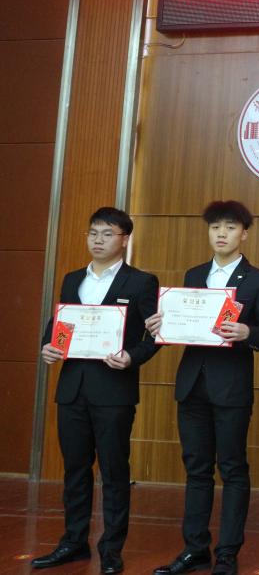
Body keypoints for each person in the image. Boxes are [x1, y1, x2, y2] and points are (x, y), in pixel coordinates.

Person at [147, 200, 259, 575]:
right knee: (196, 469)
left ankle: (227, 553)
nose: (221, 233)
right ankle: (195, 549)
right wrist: (161, 325)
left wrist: (247, 331)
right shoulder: (193, 274)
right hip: (192, 385)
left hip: (231, 388)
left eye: (230, 227)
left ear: (244, 234)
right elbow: (183, 324)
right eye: (215, 227)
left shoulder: (258, 280)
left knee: (233, 468)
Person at [31, 207, 159, 575]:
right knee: (75, 469)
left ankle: (112, 549)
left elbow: (155, 333)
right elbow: (59, 323)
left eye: (107, 233)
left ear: (124, 239)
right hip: (72, 388)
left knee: (114, 472)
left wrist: (132, 357)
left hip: (114, 391)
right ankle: (73, 542)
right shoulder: (73, 279)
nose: (98, 240)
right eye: (93, 233)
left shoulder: (141, 282)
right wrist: (48, 346)